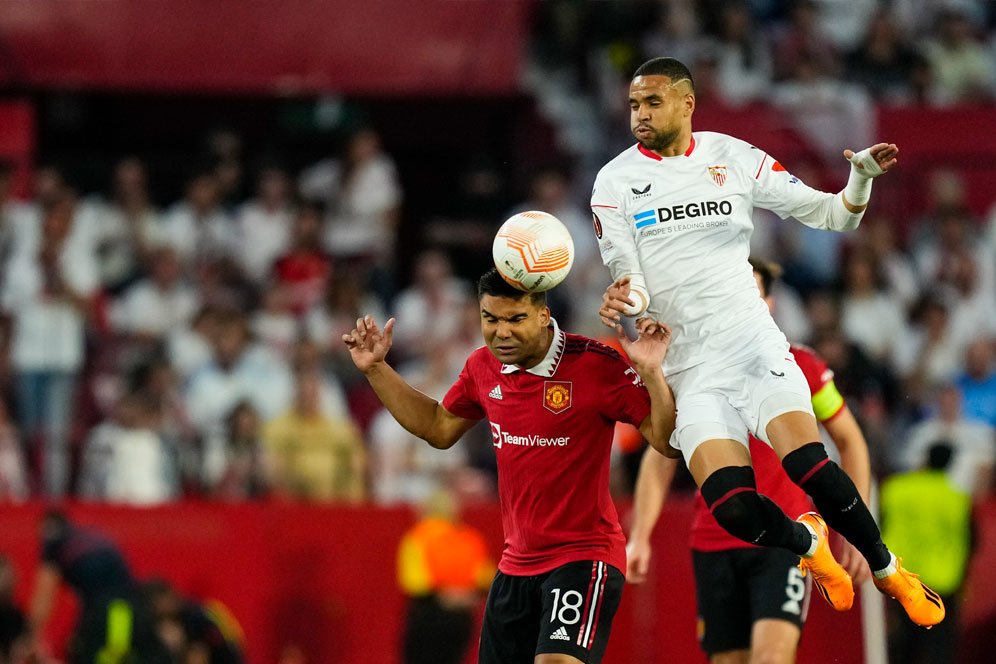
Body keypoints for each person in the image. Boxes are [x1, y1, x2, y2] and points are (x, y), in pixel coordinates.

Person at [592, 56, 943, 628]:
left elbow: (834, 217)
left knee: (808, 462)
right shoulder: (614, 181)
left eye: (652, 102)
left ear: (687, 103)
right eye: (634, 104)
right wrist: (622, 302)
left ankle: (886, 569)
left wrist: (859, 180)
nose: (640, 115)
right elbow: (626, 275)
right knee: (732, 508)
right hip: (687, 367)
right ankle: (809, 547)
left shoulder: (733, 156)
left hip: (750, 343)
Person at [343, 267, 677, 664]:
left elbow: (666, 441)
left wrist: (652, 373)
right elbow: (437, 427)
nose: (502, 332)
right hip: (515, 566)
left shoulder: (595, 364)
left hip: (583, 557)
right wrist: (376, 370)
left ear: (541, 314)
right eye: (491, 319)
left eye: (515, 319)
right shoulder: (482, 368)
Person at [627, 258, 873, 664]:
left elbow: (851, 440)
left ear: (768, 304)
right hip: (713, 539)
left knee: (771, 658)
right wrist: (640, 534)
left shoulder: (803, 366)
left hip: (787, 539)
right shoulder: (686, 370)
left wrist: (858, 532)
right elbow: (661, 459)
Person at [27, 510, 168, 663]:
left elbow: (44, 597)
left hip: (107, 614)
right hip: (128, 611)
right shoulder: (91, 538)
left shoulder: (54, 542)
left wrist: (31, 636)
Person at [880, 443, 975, 664]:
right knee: (938, 646)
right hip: (942, 581)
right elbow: (971, 541)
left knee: (902, 643)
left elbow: (879, 526)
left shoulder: (896, 488)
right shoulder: (957, 498)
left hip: (901, 578)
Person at [397, 489, 494, 664]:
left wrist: (446, 595)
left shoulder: (417, 538)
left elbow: (414, 583)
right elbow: (486, 579)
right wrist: (464, 597)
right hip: (462, 618)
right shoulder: (470, 539)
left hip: (428, 617)